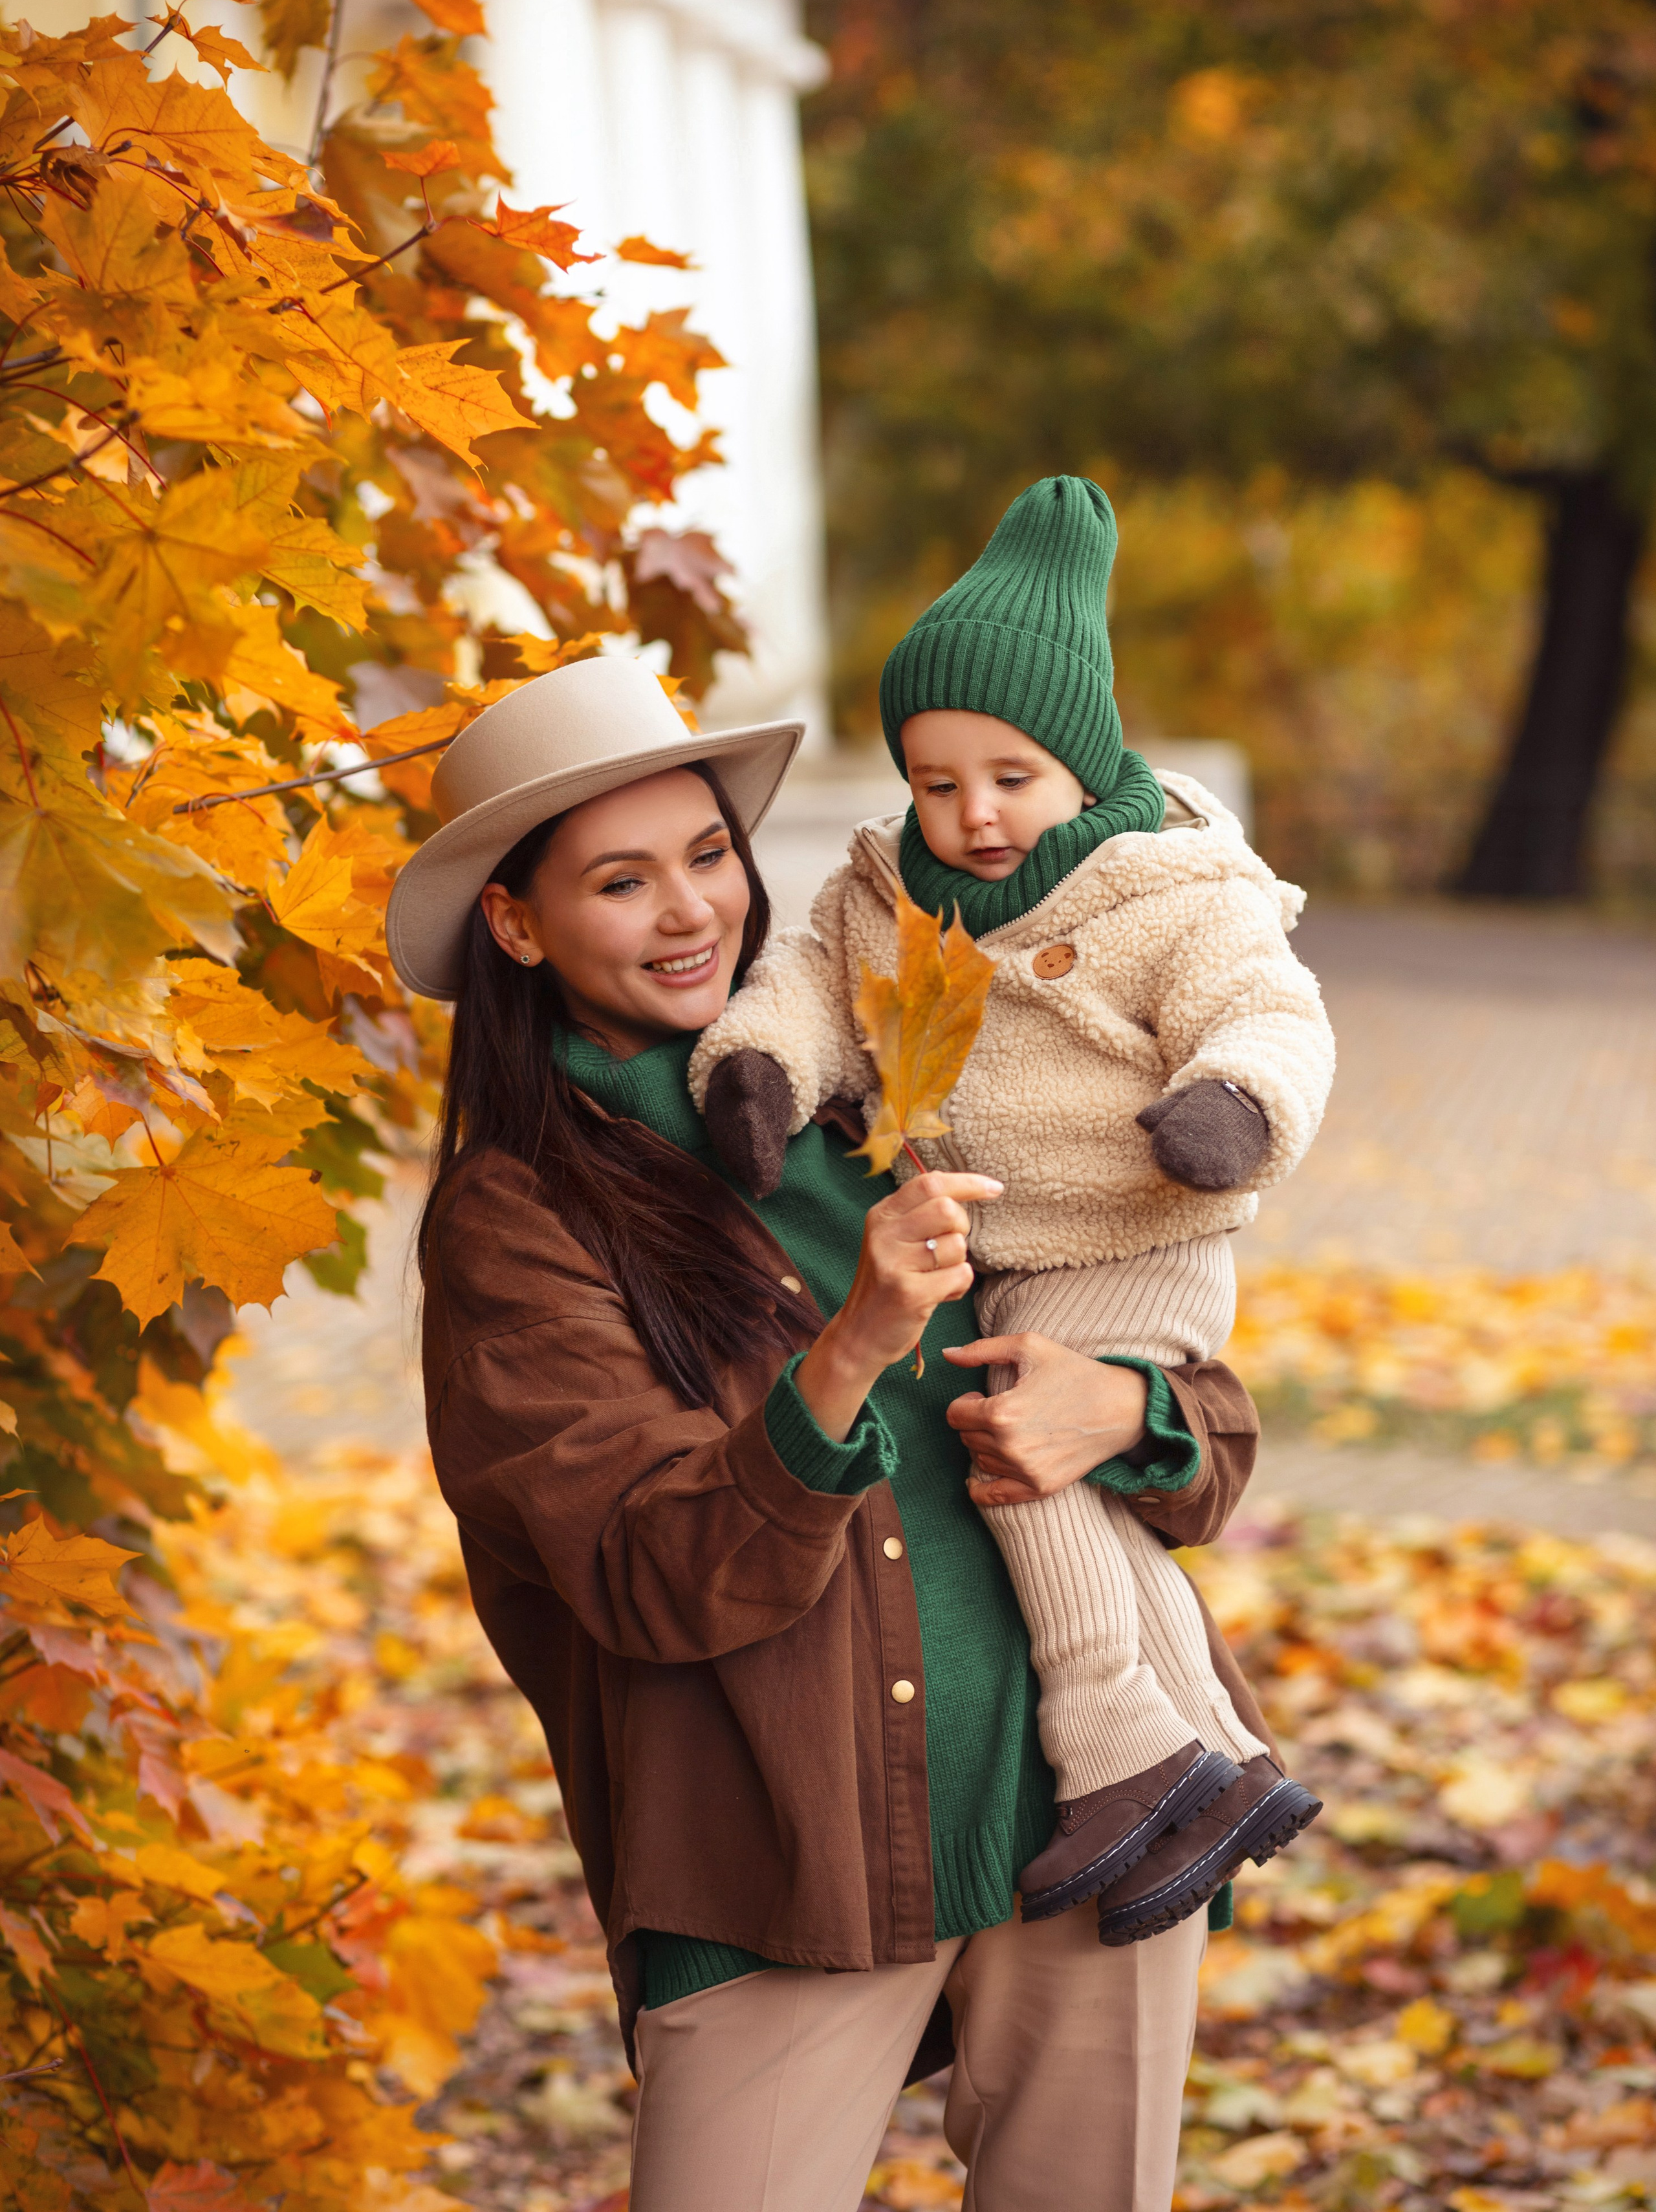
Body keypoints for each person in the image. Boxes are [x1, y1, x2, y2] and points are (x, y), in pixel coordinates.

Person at [386, 655, 1286, 2212]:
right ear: (517, 925)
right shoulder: (517, 1217)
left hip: (1081, 1797)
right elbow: (646, 1574)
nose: (688, 914)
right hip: (770, 1856)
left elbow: (1203, 1441)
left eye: (707, 856)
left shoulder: (877, 1090)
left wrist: (1125, 1413)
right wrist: (853, 1347)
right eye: (619, 880)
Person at [692, 476, 1331, 1943]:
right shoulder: (883, 894)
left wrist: (1229, 1105)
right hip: (1003, 1249)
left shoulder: (1174, 893)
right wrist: (757, 1069)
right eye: (935, 781)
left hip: (1138, 1226)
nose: (972, 815)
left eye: (1010, 776)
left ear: (1085, 757)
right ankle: (1213, 1769)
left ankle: (1121, 1749)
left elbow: (1270, 1013)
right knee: (1082, 1503)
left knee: (1013, 1454)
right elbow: (799, 986)